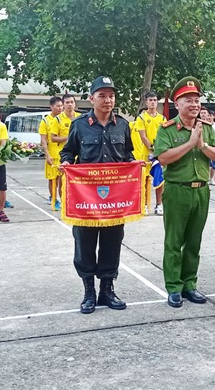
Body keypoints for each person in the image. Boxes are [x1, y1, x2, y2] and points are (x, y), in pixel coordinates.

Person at [60, 76, 134, 314]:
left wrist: (136, 166)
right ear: (91, 98)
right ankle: (89, 292)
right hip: (86, 200)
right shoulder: (80, 125)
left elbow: (128, 156)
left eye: (111, 95)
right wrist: (65, 164)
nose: (107, 100)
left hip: (114, 200)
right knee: (84, 242)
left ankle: (107, 290)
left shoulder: (122, 125)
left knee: (112, 242)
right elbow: (68, 152)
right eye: (102, 95)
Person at [154, 77, 215, 308]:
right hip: (177, 191)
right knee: (174, 241)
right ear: (177, 104)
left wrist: (202, 145)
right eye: (188, 101)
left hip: (201, 191)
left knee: (194, 242)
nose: (194, 105)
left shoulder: (206, 128)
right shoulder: (166, 129)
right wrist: (190, 143)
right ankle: (174, 287)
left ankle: (189, 284)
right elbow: (163, 158)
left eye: (196, 100)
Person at [132, 91, 166, 214]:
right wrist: (152, 148)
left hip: (159, 154)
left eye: (155, 100)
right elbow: (143, 136)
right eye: (150, 100)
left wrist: (159, 149)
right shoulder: (141, 118)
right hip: (146, 154)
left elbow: (164, 136)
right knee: (145, 180)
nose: (153, 102)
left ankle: (159, 204)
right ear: (146, 102)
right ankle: (145, 205)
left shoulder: (162, 118)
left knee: (159, 179)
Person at [39, 96, 64, 210]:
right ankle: (53, 199)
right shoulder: (45, 121)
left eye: (61, 106)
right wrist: (47, 154)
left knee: (63, 180)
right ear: (51, 106)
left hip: (63, 154)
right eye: (57, 106)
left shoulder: (63, 119)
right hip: (52, 154)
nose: (60, 108)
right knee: (53, 179)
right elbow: (43, 140)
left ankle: (64, 200)